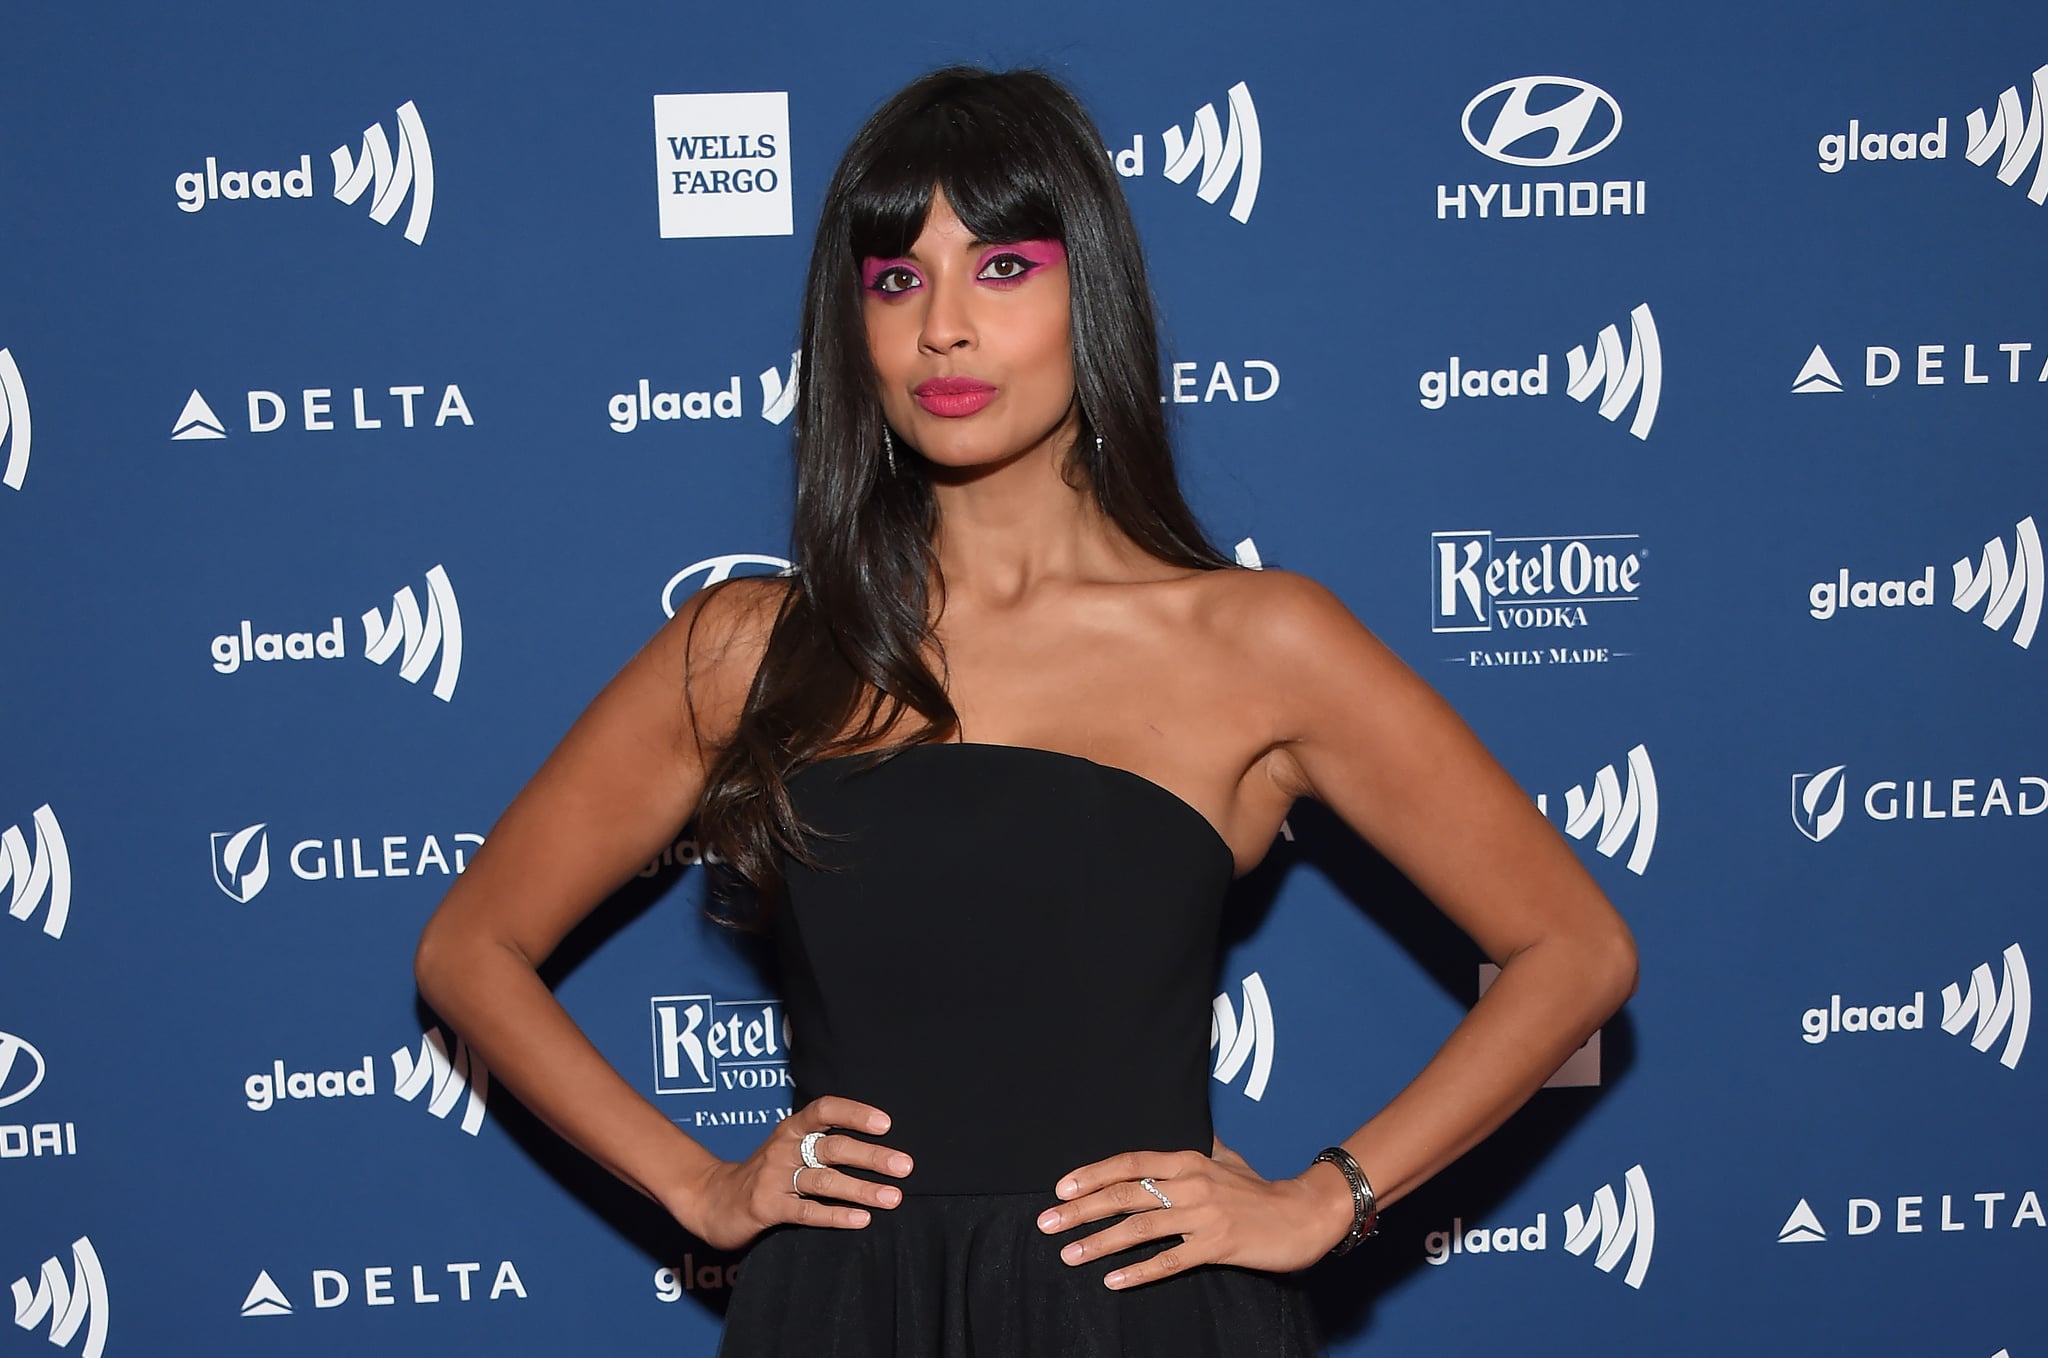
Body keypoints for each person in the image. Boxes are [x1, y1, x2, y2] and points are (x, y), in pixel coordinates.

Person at [412, 65, 1638, 1356]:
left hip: (1147, 1319)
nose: (943, 327)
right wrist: (698, 1184)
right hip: (843, 1314)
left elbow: (1576, 947)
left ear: (1090, 293)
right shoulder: (749, 647)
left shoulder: (1258, 640)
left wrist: (1331, 1196)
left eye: (1002, 268)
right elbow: (468, 947)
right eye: (897, 279)